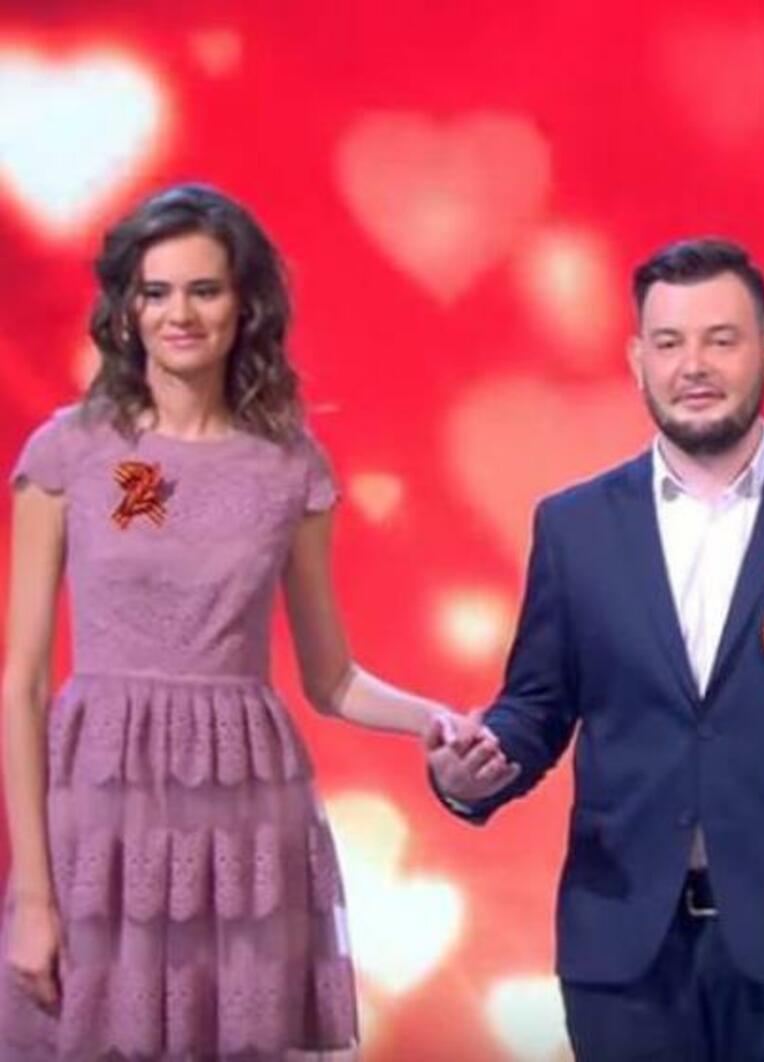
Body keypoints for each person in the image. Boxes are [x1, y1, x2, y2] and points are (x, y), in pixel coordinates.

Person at [428, 237, 764, 1060]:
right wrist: (473, 775)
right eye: (669, 343)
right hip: (624, 956)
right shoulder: (574, 526)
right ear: (639, 361)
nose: (693, 366)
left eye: (720, 340)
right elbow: (537, 705)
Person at [1, 184, 470, 1058]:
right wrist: (34, 894)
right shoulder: (70, 451)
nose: (179, 314)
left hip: (243, 814)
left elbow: (332, 678)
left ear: (244, 304)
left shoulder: (290, 466)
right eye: (156, 292)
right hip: (102, 811)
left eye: (204, 290)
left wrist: (435, 720)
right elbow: (22, 683)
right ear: (127, 308)